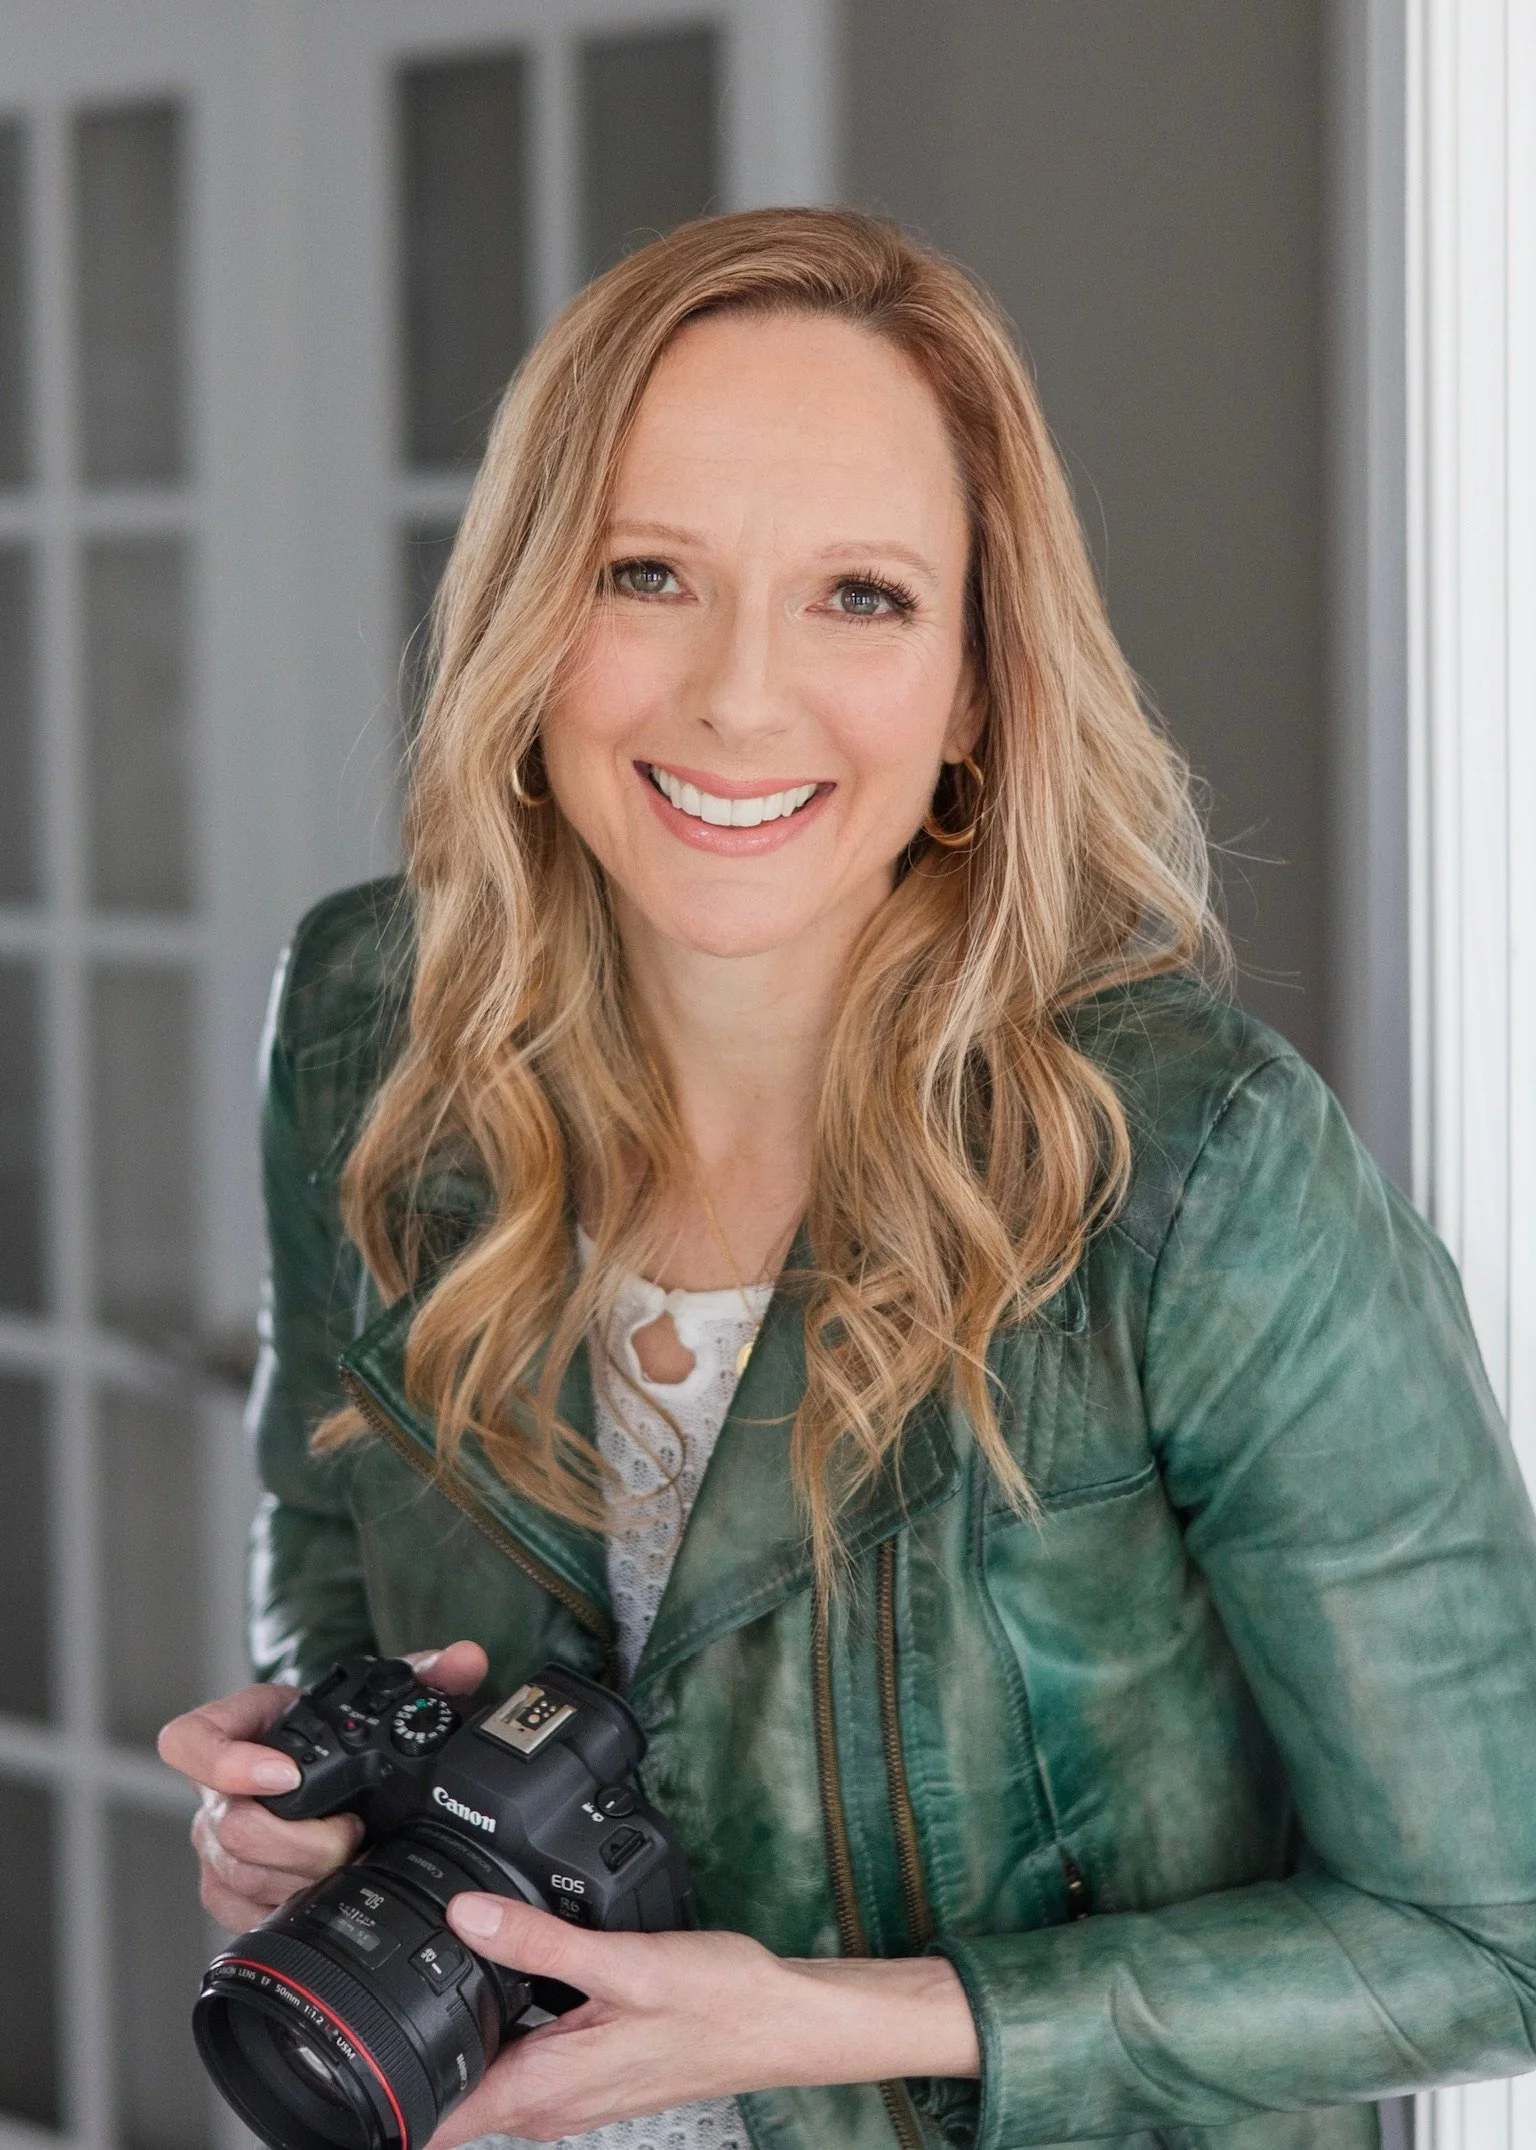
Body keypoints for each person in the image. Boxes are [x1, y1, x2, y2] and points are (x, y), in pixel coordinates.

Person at [159, 208, 1536, 2150]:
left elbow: (1496, 1929)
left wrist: (824, 2018)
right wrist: (309, 1789)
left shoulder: (1201, 1170)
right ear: (530, 612)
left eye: (862, 597)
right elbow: (324, 1536)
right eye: (651, 572)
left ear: (977, 685)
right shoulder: (368, 1029)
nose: (740, 698)